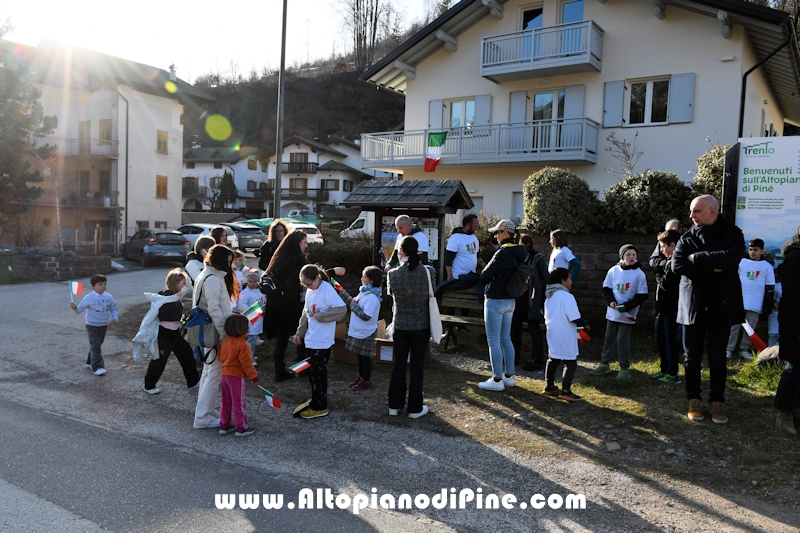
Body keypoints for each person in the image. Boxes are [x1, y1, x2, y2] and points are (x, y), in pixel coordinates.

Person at [672, 195, 745, 424]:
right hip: (692, 307)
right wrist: (711, 269)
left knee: (717, 356)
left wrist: (698, 258)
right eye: (691, 211)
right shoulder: (686, 237)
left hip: (721, 306)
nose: (691, 216)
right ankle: (694, 398)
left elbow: (732, 259)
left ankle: (717, 401)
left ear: (712, 211)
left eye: (696, 211)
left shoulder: (732, 233)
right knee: (691, 356)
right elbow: (677, 265)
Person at [387, 236, 436, 418]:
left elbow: (390, 295)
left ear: (401, 251)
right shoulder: (428, 272)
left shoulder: (392, 274)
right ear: (418, 250)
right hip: (421, 325)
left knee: (398, 365)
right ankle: (415, 408)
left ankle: (394, 406)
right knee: (417, 367)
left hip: (400, 324)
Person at [291, 265, 347, 419]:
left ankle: (320, 407)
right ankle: (317, 398)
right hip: (310, 339)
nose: (308, 287)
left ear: (317, 278)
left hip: (322, 341)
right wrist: (300, 331)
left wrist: (322, 317)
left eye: (309, 284)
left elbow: (342, 310)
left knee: (318, 374)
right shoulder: (310, 290)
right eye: (305, 285)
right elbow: (306, 312)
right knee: (312, 373)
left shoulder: (326, 289)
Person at [193, 244, 238, 429]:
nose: (230, 265)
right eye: (228, 261)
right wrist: (225, 335)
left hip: (210, 332)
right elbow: (215, 310)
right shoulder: (212, 279)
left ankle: (204, 413)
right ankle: (203, 417)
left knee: (208, 373)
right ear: (220, 260)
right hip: (215, 334)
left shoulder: (207, 275)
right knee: (213, 375)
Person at [478, 219, 525, 392]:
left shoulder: (502, 253)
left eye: (497, 232)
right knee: (506, 338)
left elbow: (484, 275)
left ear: (506, 233)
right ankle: (509, 376)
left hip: (495, 299)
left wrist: (491, 276)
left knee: (493, 341)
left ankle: (497, 379)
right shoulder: (521, 251)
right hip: (511, 300)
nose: (495, 236)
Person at [592, 244, 648, 380]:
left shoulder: (639, 274)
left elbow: (642, 295)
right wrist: (610, 301)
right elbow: (606, 288)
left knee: (622, 340)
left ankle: (624, 368)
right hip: (613, 313)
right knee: (609, 338)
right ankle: (605, 363)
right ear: (622, 256)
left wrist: (627, 306)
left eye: (634, 255)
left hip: (627, 315)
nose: (631, 257)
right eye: (628, 255)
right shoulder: (613, 270)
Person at [142, 269, 200, 394]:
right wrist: (174, 299)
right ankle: (149, 385)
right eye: (182, 283)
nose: (185, 286)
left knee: (187, 355)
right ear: (174, 283)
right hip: (163, 334)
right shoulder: (163, 297)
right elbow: (160, 314)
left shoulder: (177, 297)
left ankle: (193, 381)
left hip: (175, 333)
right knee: (159, 359)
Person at [262, 230, 310, 382]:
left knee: (282, 339)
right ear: (297, 243)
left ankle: (279, 370)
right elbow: (310, 278)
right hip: (291, 305)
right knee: (301, 334)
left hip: (277, 303)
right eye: (304, 242)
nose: (307, 245)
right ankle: (303, 369)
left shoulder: (279, 257)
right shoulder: (297, 260)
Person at [542, 267, 589, 402]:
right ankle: (566, 391)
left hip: (552, 332)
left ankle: (549, 386)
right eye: (569, 278)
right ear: (563, 281)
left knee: (553, 359)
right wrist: (584, 323)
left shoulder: (549, 296)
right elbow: (574, 317)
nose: (571, 281)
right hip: (565, 333)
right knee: (570, 362)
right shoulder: (567, 296)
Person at [336, 266, 383, 391]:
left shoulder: (373, 298)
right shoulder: (364, 292)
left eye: (364, 277)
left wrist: (354, 307)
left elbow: (366, 315)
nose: (362, 279)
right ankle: (361, 377)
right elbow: (353, 301)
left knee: (365, 357)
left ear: (371, 280)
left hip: (366, 332)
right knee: (360, 356)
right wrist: (339, 289)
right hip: (359, 330)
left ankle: (365, 380)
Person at [726, 238, 774, 360]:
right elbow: (733, 279)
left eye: (756, 250)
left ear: (762, 251)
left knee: (750, 328)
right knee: (734, 326)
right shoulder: (742, 262)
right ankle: (729, 349)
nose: (752, 252)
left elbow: (769, 287)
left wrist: (767, 304)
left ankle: (744, 349)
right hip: (739, 300)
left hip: (755, 302)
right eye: (751, 249)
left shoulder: (767, 266)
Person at [775, 226, 800, 438]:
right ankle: (784, 414)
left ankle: (796, 409)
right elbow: (792, 297)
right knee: (795, 366)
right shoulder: (796, 257)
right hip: (796, 322)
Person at [511, 234, 549, 372]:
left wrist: (541, 297)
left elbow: (546, 278)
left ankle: (537, 359)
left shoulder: (537, 259)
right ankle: (514, 357)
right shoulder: (517, 258)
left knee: (534, 330)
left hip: (531, 300)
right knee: (515, 329)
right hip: (518, 299)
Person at [218, 314, 259, 437]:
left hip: (224, 375)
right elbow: (247, 364)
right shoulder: (243, 345)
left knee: (225, 402)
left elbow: (220, 358)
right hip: (236, 377)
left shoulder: (225, 342)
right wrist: (254, 377)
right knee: (238, 403)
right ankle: (241, 427)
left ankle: (224, 425)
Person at [70, 273, 119, 376]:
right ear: (93, 286)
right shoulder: (89, 297)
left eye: (104, 284)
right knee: (96, 345)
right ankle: (98, 367)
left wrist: (115, 318)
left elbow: (113, 308)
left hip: (103, 325)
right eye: (100, 284)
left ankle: (89, 361)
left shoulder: (109, 297)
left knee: (96, 344)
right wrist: (75, 308)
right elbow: (80, 310)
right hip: (92, 326)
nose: (103, 286)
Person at [652, 230, 682, 384]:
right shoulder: (669, 261)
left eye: (664, 246)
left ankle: (672, 373)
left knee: (670, 341)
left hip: (672, 308)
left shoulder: (675, 262)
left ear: (673, 245)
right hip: (664, 308)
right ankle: (664, 369)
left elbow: (665, 284)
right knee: (662, 340)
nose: (662, 250)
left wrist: (658, 270)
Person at [236, 273, 265, 365]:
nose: (252, 284)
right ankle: (249, 359)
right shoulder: (245, 293)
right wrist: (252, 312)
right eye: (250, 281)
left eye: (254, 282)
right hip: (250, 320)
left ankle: (250, 355)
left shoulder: (260, 291)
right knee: (250, 341)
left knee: (253, 339)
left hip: (258, 319)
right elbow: (241, 305)